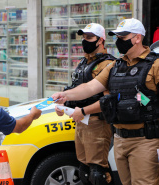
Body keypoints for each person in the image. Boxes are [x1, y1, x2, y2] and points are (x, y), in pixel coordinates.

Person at [52, 18, 159, 185]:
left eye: (123, 37)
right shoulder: (115, 66)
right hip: (120, 139)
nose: (118, 41)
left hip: (145, 141)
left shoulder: (155, 65)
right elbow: (89, 88)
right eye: (116, 37)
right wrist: (66, 96)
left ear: (137, 38)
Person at [55, 23, 116, 185]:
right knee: (84, 170)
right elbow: (76, 89)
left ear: (100, 40)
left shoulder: (107, 64)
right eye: (83, 37)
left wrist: (83, 111)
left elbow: (108, 101)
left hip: (97, 123)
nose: (85, 41)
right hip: (81, 122)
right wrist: (63, 103)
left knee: (98, 173)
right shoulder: (84, 62)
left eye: (89, 37)